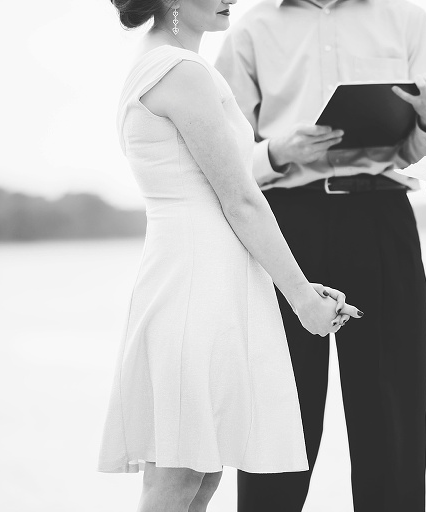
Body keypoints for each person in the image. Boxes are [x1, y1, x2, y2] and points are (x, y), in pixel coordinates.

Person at [98, 1, 361, 511]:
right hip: (194, 285)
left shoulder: (160, 63)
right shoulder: (180, 70)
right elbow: (240, 198)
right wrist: (302, 298)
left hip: (195, 276)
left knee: (200, 476)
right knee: (178, 479)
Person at [215, 1, 426, 510]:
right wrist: (278, 151)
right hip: (285, 227)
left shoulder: (407, 20)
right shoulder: (249, 31)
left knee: (392, 411)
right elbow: (218, 154)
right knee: (279, 415)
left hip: (382, 218)